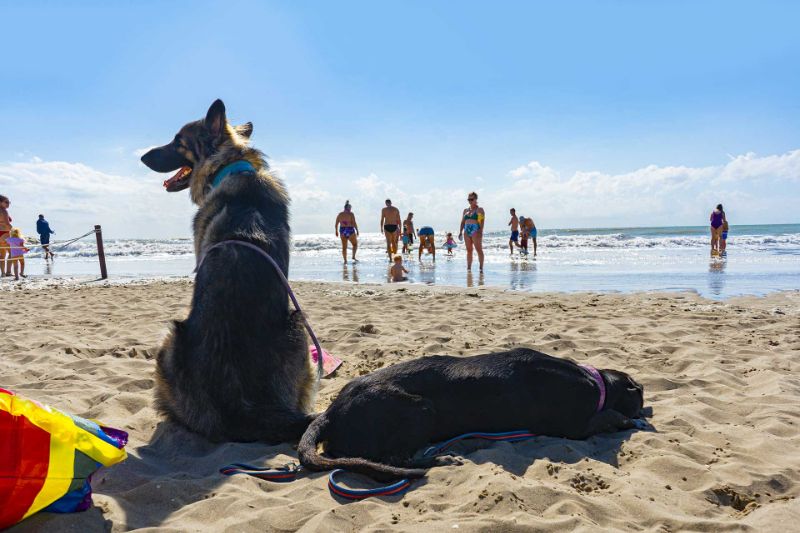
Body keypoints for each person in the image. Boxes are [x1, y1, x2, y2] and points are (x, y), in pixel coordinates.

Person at [458, 191, 485, 271]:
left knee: (478, 249)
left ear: (476, 199)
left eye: (471, 199)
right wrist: (460, 232)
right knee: (469, 250)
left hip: (475, 230)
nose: (470, 201)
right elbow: (462, 222)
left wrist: (480, 231)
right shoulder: (465, 210)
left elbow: (482, 221)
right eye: (468, 199)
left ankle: (481, 268)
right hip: (466, 231)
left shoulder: (479, 209)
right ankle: (469, 268)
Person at [0, 195, 11, 276]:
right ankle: (8, 272)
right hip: (5, 233)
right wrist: (14, 230)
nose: (8, 204)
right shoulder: (4, 211)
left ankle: (3, 273)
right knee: (11, 253)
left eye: (9, 202)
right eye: (6, 202)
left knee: (2, 255)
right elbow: (7, 224)